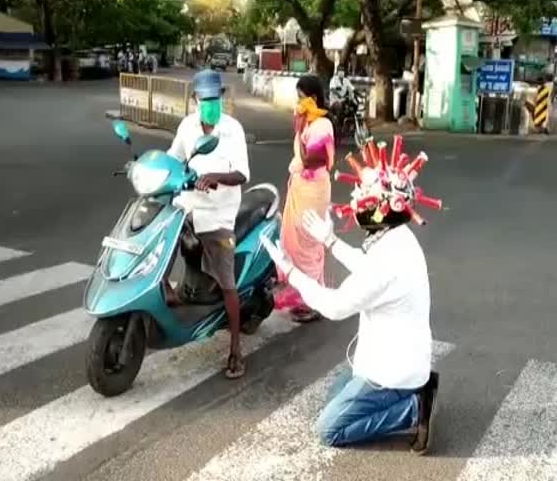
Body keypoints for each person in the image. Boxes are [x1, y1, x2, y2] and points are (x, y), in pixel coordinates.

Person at [261, 136, 441, 454]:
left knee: (329, 428)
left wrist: (291, 274)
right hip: (396, 362)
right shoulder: (399, 238)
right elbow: (367, 267)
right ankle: (411, 394)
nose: (355, 201)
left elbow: (334, 306)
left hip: (391, 375)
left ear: (380, 210)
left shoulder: (387, 260)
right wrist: (329, 240)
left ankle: (414, 407)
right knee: (336, 395)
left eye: (363, 198)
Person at [164, 69, 250, 379]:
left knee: (228, 283)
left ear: (221, 98)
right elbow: (173, 157)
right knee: (162, 237)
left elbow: (242, 174)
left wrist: (215, 177)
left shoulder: (233, 129)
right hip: (188, 205)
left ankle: (236, 349)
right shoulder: (187, 126)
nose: (211, 104)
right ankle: (168, 291)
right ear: (195, 100)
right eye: (205, 99)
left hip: (219, 213)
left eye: (215, 99)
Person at [275, 75, 335, 322]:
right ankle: (302, 295)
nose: (298, 103)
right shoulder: (309, 123)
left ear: (314, 99)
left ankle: (313, 302)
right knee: (294, 241)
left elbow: (312, 159)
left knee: (308, 241)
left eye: (301, 98)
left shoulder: (322, 125)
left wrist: (300, 129)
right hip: (300, 187)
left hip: (313, 190)